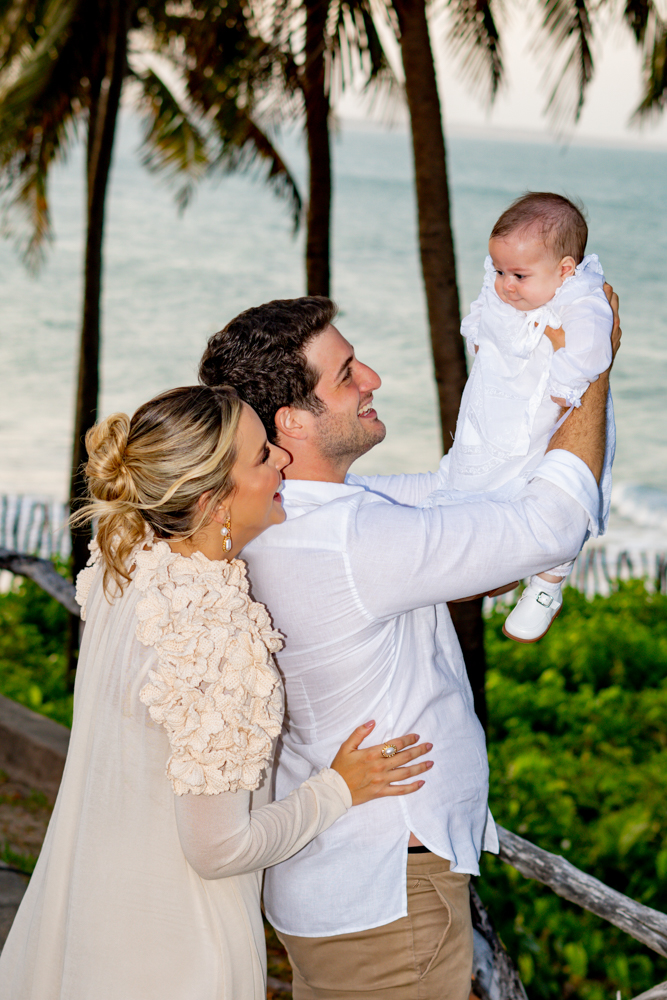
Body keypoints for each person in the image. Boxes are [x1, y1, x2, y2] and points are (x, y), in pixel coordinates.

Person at [198, 291, 619, 1000]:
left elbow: (459, 495)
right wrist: (592, 358)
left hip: (355, 879)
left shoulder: (295, 518)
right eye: (345, 373)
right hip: (386, 895)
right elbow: (553, 524)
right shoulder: (348, 540)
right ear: (291, 419)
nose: (371, 378)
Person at [0, 385, 433, 1000]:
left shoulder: (124, 560)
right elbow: (219, 847)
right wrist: (338, 789)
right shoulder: (215, 629)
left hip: (90, 909)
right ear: (212, 501)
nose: (283, 460)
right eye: (262, 456)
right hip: (177, 953)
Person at [428, 192, 615, 643]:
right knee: (479, 480)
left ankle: (549, 584)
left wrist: (564, 387)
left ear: (565, 270)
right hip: (495, 410)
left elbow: (594, 347)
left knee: (554, 488)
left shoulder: (581, 300)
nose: (506, 285)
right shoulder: (505, 287)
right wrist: (478, 331)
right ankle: (493, 557)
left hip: (550, 414)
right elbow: (482, 312)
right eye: (499, 271)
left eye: (519, 275)